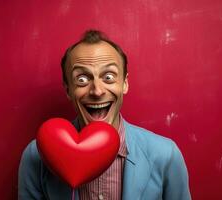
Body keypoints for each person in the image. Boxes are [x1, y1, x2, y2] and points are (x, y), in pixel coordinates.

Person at [18, 30, 191, 200]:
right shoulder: (36, 156)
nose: (97, 91)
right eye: (82, 79)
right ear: (68, 89)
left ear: (124, 83)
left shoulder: (166, 155)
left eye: (108, 77)